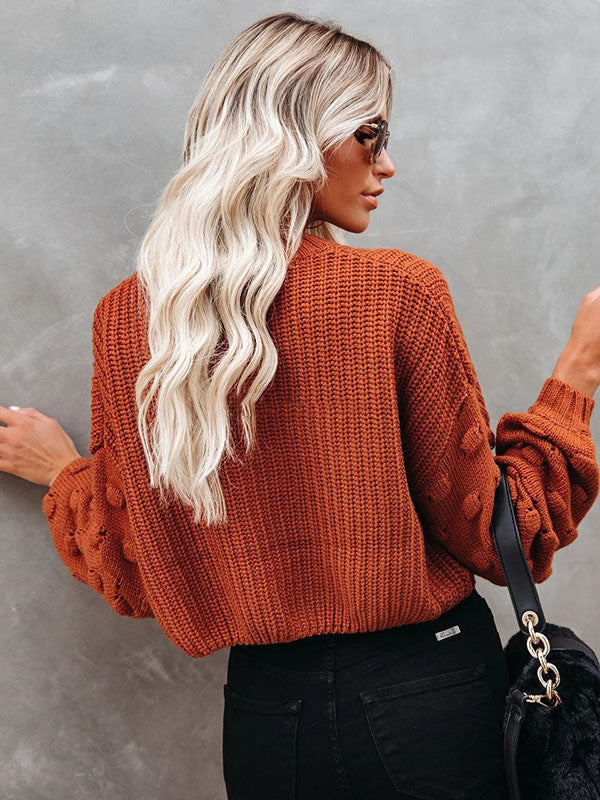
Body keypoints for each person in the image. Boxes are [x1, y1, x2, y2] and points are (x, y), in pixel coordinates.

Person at [2, 11, 600, 800]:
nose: (387, 165)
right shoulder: (396, 293)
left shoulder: (130, 322)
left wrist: (64, 475)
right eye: (370, 136)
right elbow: (497, 537)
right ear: (291, 139)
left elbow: (143, 570)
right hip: (427, 695)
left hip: (265, 721)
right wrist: (579, 371)